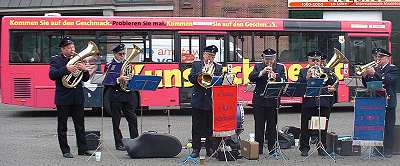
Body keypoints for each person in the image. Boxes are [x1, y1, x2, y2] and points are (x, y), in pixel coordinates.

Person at [49, 36, 92, 158]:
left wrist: (85, 70)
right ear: (62, 49)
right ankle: (65, 150)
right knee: (62, 126)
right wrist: (66, 69)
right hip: (63, 98)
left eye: (72, 47)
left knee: (80, 125)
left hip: (77, 97)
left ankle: (82, 149)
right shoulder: (56, 60)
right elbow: (52, 75)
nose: (72, 49)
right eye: (68, 48)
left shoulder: (78, 60)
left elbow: (85, 79)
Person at [297, 50, 336, 157]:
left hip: (323, 101)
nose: (315, 63)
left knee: (322, 126)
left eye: (317, 60)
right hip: (308, 102)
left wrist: (332, 87)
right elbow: (299, 86)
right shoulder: (303, 71)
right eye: (312, 60)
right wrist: (307, 78)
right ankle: (304, 148)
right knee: (305, 126)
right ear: (308, 61)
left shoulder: (327, 70)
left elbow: (334, 83)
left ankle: (321, 147)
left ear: (320, 61)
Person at [248, 48, 286, 155]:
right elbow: (251, 77)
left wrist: (276, 78)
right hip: (259, 101)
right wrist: (261, 73)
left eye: (271, 59)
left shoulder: (280, 67)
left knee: (272, 126)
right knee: (259, 126)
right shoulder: (258, 66)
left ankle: (272, 148)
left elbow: (284, 80)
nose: (269, 61)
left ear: (275, 58)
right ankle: (258, 149)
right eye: (267, 59)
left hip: (273, 102)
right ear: (263, 58)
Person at [361, 48, 397, 158]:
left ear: (387, 58)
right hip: (375, 101)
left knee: (388, 126)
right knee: (377, 126)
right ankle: (378, 148)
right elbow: (368, 84)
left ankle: (388, 150)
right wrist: (365, 76)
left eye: (380, 57)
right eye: (376, 57)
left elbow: (388, 81)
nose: (377, 59)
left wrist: (374, 73)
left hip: (388, 101)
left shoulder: (393, 68)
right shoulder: (376, 68)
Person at [188, 45, 223, 158]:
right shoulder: (197, 64)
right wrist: (201, 73)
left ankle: (210, 149)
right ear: (204, 54)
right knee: (196, 126)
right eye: (209, 55)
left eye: (213, 56)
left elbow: (220, 82)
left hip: (211, 100)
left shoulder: (218, 67)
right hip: (198, 99)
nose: (210, 58)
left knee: (210, 127)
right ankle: (196, 150)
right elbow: (191, 78)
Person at [103, 43, 139, 151]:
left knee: (132, 118)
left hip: (128, 95)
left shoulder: (128, 65)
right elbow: (107, 82)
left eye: (123, 54)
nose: (122, 56)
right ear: (115, 54)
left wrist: (131, 78)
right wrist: (119, 79)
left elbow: (132, 79)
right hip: (116, 96)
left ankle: (135, 140)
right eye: (120, 54)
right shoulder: (110, 65)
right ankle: (119, 143)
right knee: (116, 121)